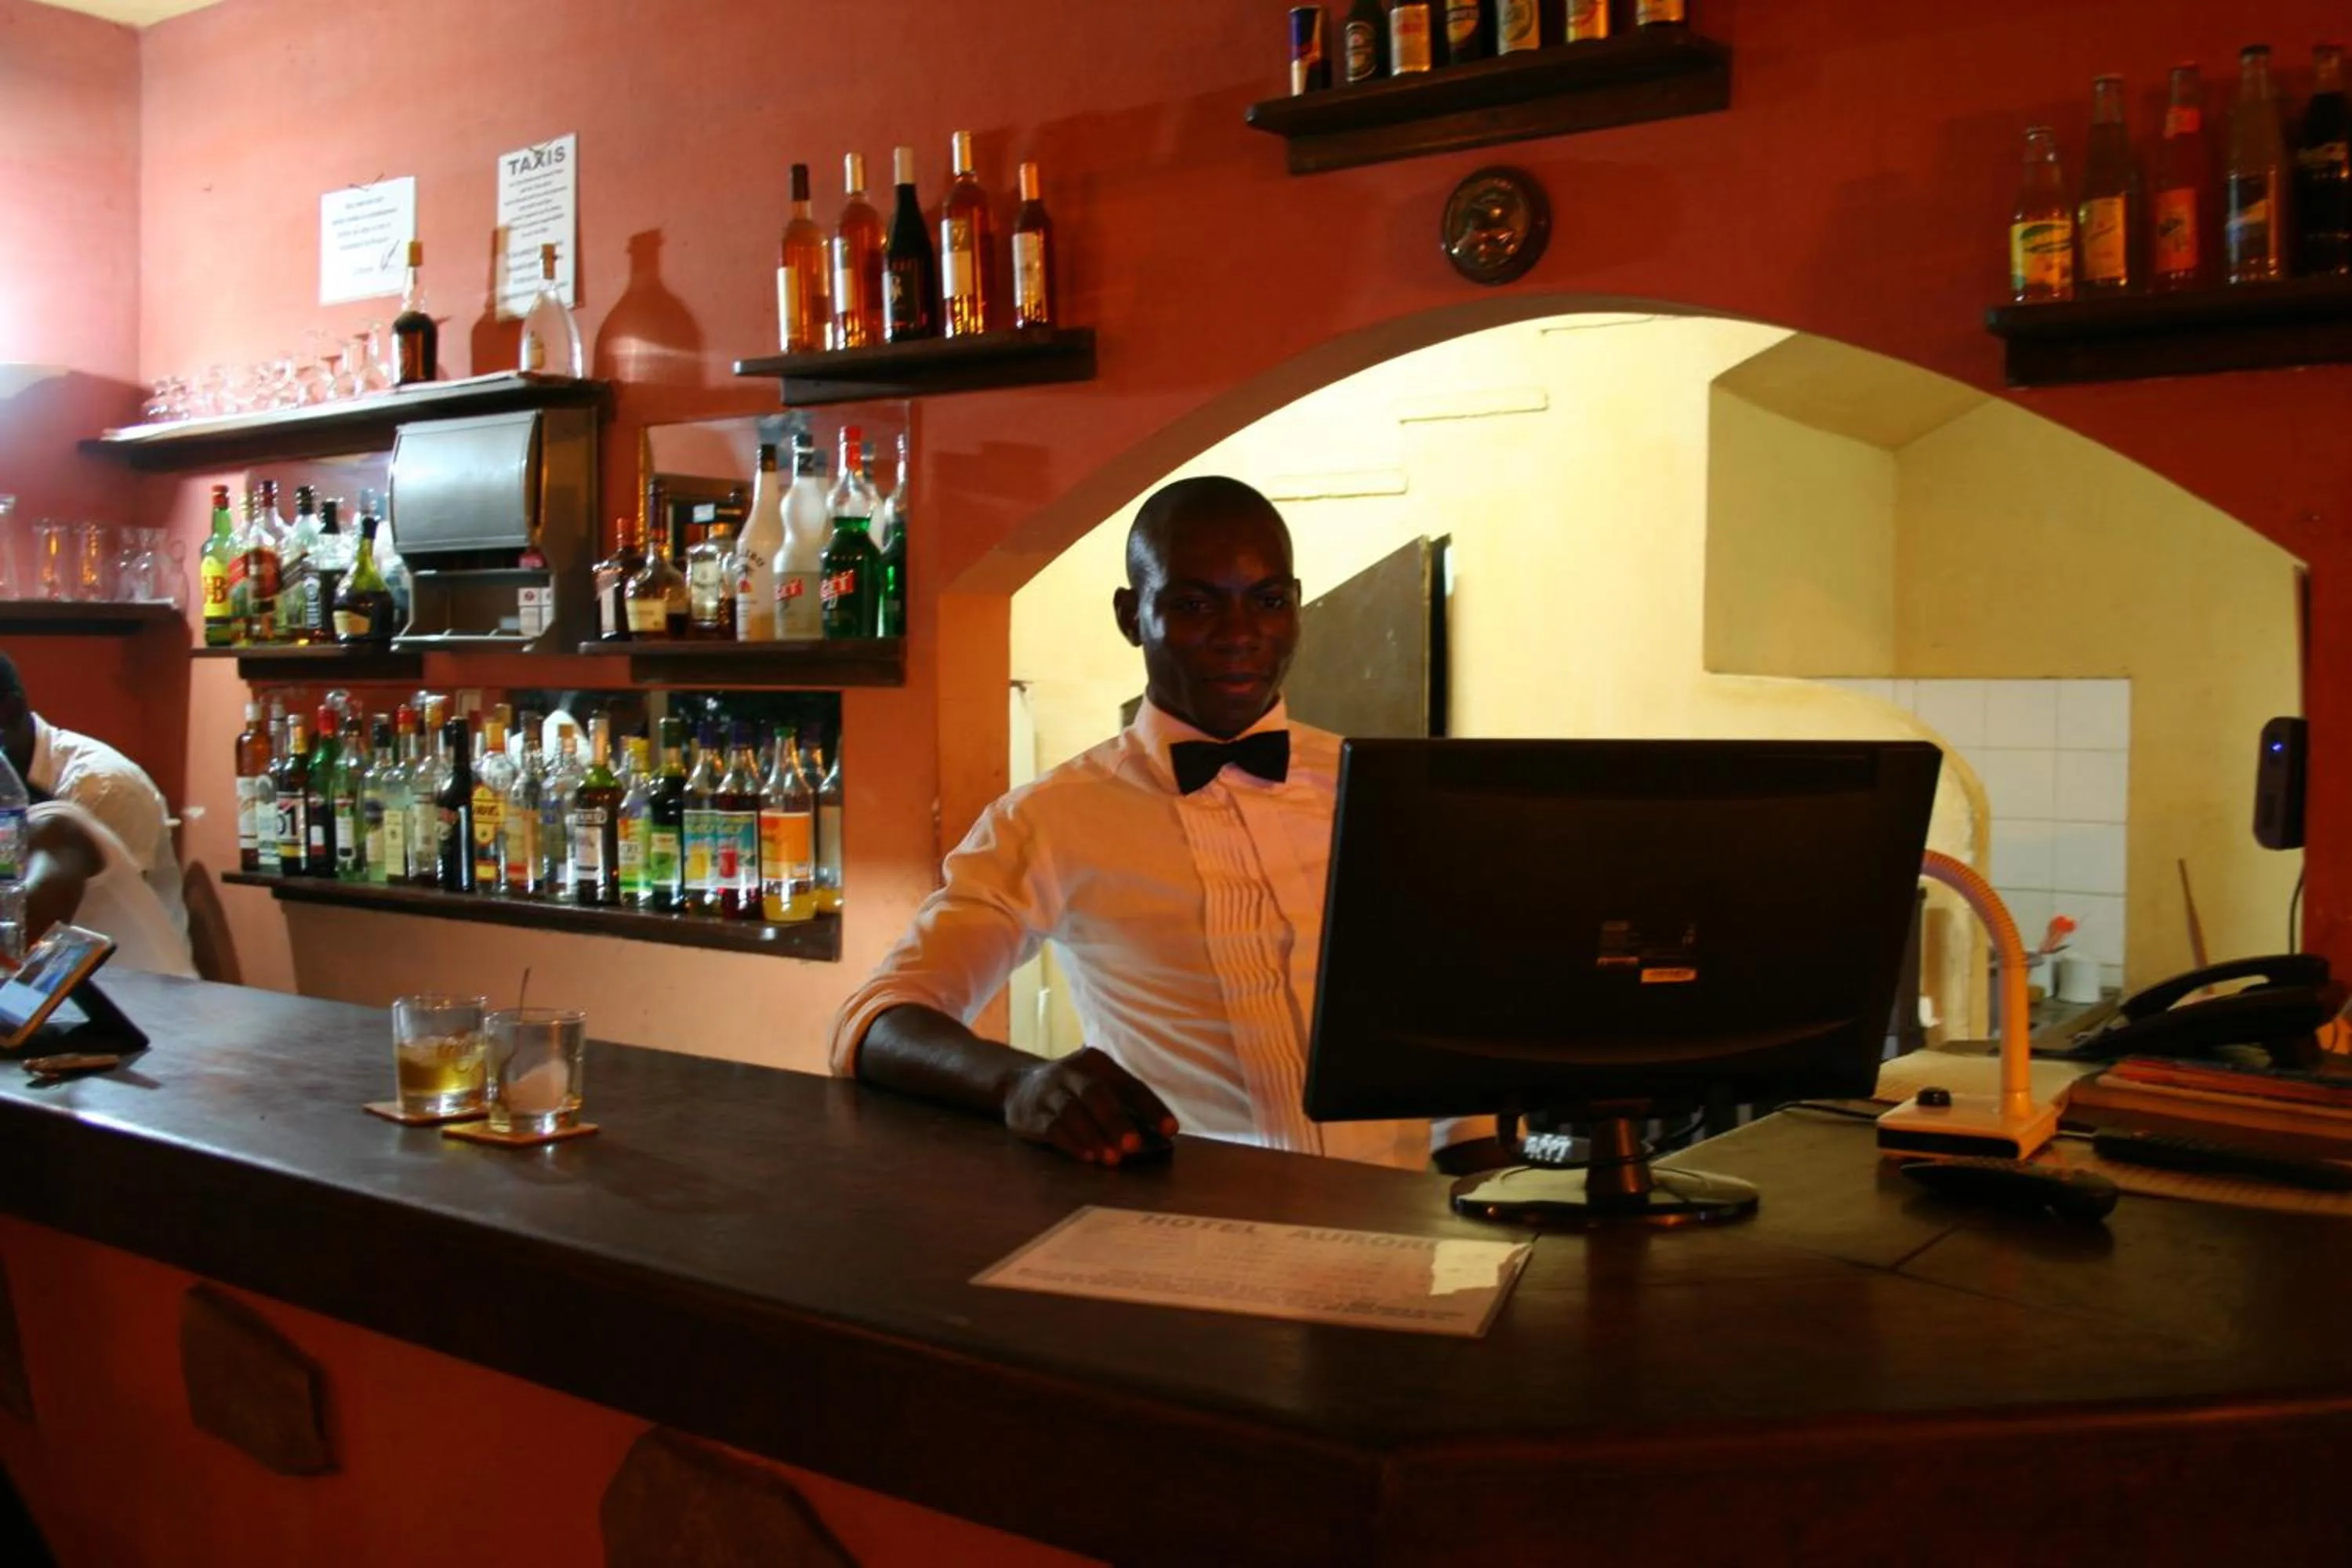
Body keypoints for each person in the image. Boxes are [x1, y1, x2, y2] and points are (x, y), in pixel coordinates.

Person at [828, 476, 1485, 1172]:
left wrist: (1482, 1186)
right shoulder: (1048, 819)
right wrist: (1022, 1083)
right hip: (1185, 1221)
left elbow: (1450, 1024)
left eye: (1268, 601)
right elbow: (877, 1020)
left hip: (1394, 1217)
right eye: (1195, 604)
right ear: (1130, 616)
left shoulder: (1385, 793)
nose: (1240, 635)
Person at [0, 654, 194, 978]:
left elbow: (25, 932)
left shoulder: (95, 789)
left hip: (143, 993)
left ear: (8, 711)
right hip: (64, 991)